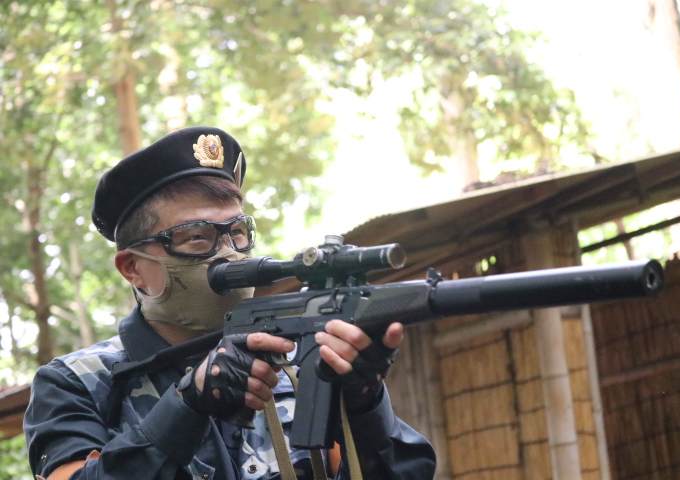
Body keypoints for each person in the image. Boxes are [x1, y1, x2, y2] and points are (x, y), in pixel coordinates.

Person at [24, 126, 436, 480]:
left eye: (237, 232)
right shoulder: (76, 383)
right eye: (196, 237)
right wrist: (188, 404)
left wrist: (365, 403)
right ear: (132, 268)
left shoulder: (295, 365)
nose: (228, 254)